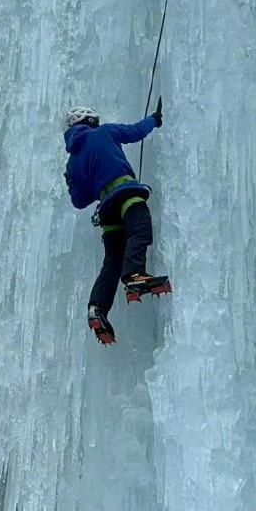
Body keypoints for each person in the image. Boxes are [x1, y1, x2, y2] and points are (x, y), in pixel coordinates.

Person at [63, 103, 171, 345]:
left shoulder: (72, 163)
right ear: (92, 122)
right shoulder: (106, 132)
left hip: (106, 208)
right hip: (125, 193)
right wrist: (154, 119)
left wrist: (92, 178)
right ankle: (134, 275)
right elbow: (135, 132)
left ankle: (97, 307)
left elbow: (79, 201)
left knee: (112, 259)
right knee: (140, 230)